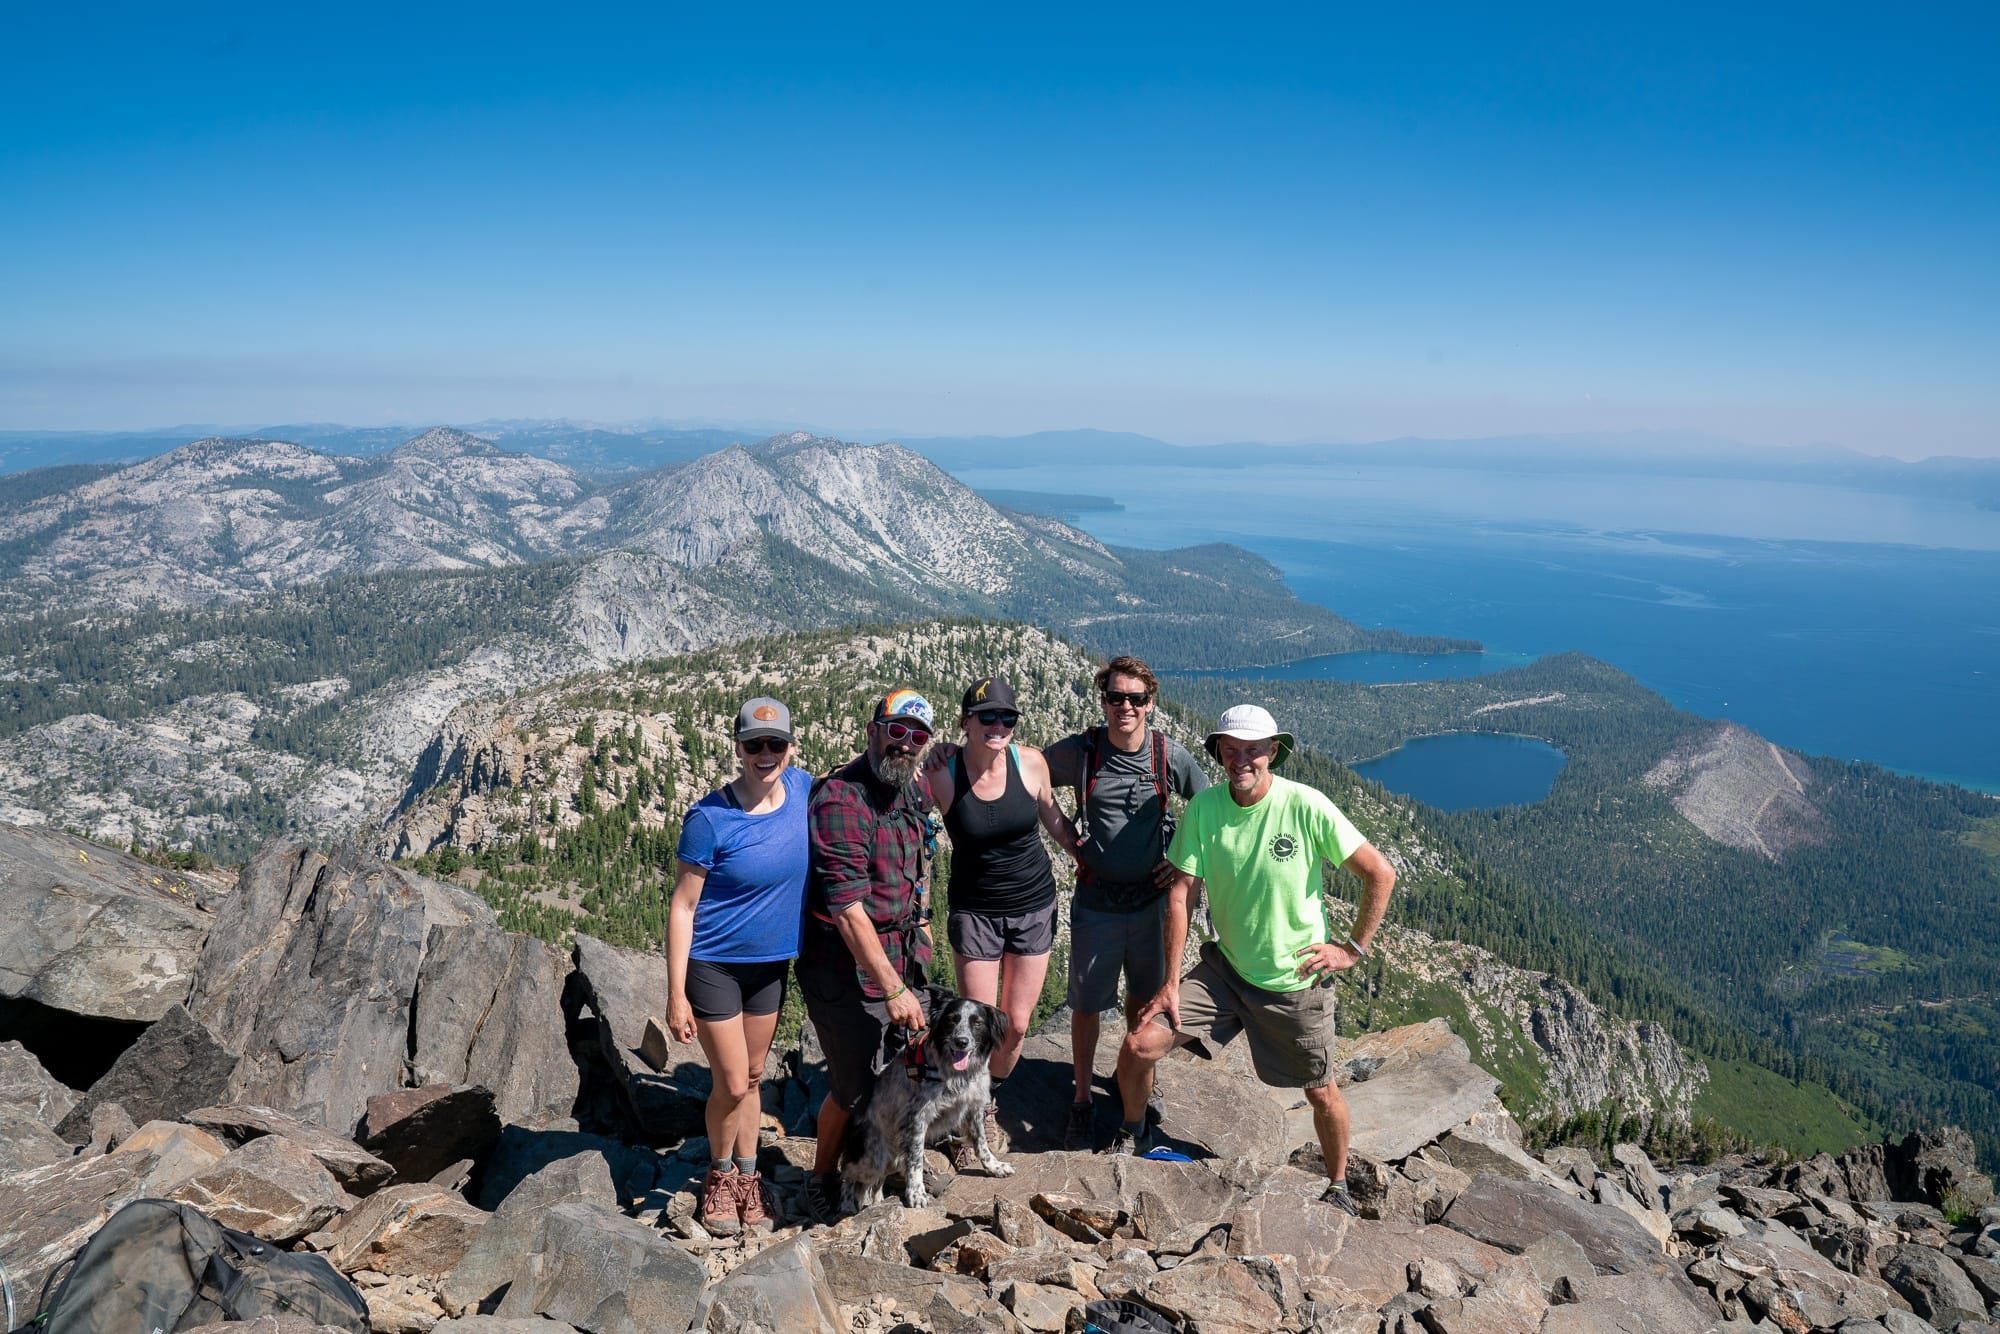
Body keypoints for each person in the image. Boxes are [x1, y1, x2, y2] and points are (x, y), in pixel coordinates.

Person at [1114, 704, 1396, 1215]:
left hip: (1295, 981)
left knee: (1321, 1092)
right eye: (1231, 749)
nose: (1241, 759)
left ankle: (1338, 1185)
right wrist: (1172, 982)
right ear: (1220, 753)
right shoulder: (1205, 809)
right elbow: (1180, 893)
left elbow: (1380, 872)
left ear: (1272, 753)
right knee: (1139, 1043)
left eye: (1253, 750)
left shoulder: (1305, 805)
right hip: (1226, 970)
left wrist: (1351, 949)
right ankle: (1132, 1131)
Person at [1041, 655, 1210, 1150]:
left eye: (1135, 699)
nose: (1125, 707)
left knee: (1144, 1000)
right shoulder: (1082, 752)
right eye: (1116, 698)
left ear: (1150, 704)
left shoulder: (1167, 756)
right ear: (1104, 701)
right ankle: (1080, 1098)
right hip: (1096, 902)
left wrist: (1183, 862)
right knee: (1087, 1005)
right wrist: (1065, 835)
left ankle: (1132, 1082)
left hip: (1152, 906)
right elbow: (1027, 770)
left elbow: (1208, 808)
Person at [665, 696, 811, 1237]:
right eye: (754, 745)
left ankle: (749, 1177)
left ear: (792, 748)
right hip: (715, 965)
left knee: (752, 1077)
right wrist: (677, 992)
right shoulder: (709, 819)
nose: (765, 754)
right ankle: (719, 1174)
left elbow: (861, 782)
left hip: (770, 967)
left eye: (775, 744)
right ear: (738, 749)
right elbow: (683, 906)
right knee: (729, 1080)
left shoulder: (804, 791)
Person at [796, 687, 938, 1225]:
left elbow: (918, 874)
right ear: (874, 730)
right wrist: (894, 990)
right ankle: (821, 1177)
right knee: (853, 1086)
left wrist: (918, 946)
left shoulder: (910, 793)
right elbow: (849, 911)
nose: (906, 744)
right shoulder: (841, 800)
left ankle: (890, 1165)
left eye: (917, 736)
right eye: (896, 731)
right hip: (843, 969)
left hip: (903, 956)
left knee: (906, 1075)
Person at [925, 676, 1080, 1164]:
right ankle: (961, 1119)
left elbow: (1053, 817)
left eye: (1006, 718)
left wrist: (1085, 856)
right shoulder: (942, 773)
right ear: (965, 722)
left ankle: (984, 1103)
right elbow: (897, 813)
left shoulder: (1029, 762)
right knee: (970, 1025)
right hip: (975, 912)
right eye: (986, 717)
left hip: (1034, 904)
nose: (997, 726)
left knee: (1013, 1025)